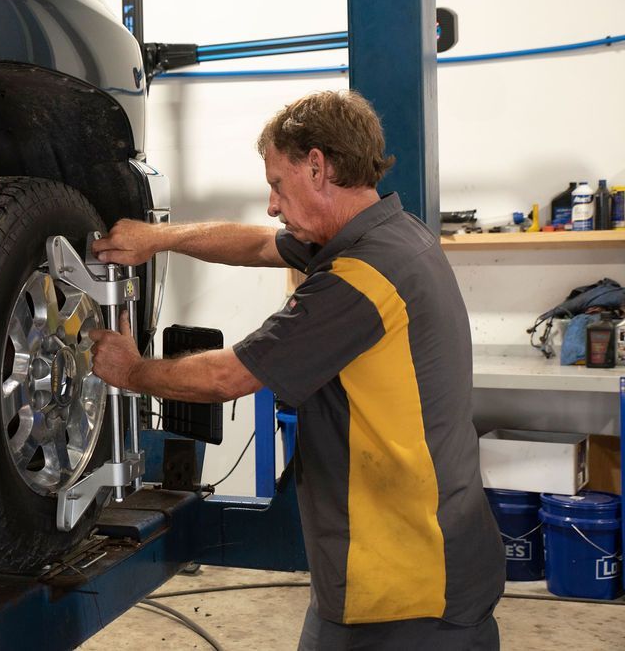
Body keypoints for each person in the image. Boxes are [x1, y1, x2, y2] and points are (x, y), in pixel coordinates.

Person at [88, 90, 505, 650]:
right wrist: (158, 237)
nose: (272, 205)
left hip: (405, 589)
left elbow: (227, 378)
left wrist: (131, 370)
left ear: (317, 166)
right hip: (418, 561)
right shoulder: (395, 234)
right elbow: (259, 245)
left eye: (278, 185)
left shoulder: (361, 278)